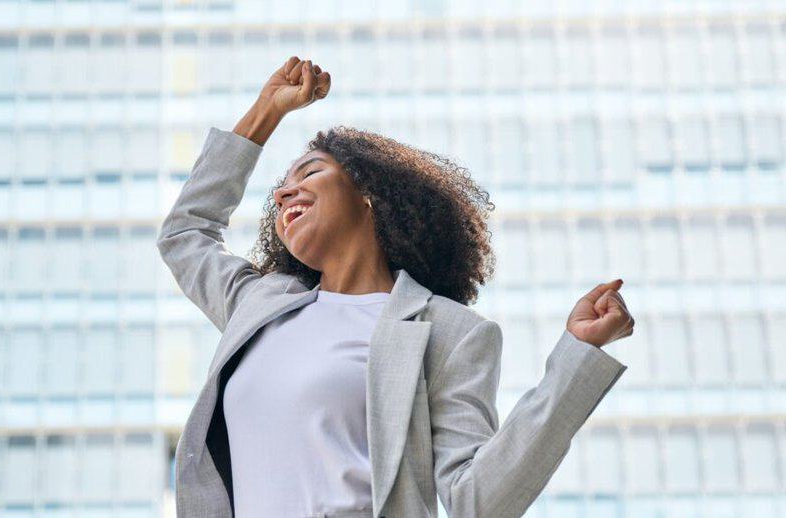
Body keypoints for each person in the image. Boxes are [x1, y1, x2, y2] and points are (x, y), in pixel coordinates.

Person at [157, 56, 635, 518]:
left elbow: (480, 502)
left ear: (369, 195)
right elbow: (186, 234)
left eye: (311, 172)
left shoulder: (446, 332)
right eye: (280, 187)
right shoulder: (260, 305)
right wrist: (267, 110)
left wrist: (578, 357)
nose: (283, 192)